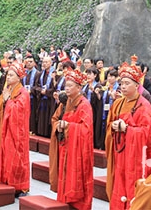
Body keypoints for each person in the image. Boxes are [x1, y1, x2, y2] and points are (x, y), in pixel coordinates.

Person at [105, 62, 151, 208]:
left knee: (132, 187)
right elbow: (109, 127)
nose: (123, 86)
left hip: (136, 157)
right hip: (119, 153)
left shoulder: (144, 106)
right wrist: (113, 128)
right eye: (122, 83)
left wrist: (127, 129)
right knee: (119, 185)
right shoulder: (118, 103)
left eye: (127, 83)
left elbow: (147, 133)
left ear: (137, 84)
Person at [49, 69, 94, 209]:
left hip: (78, 150)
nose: (66, 89)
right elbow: (55, 119)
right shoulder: (65, 103)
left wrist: (68, 126)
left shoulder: (84, 105)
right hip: (65, 147)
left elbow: (86, 130)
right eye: (65, 86)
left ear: (79, 88)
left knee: (77, 178)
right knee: (64, 176)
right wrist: (58, 126)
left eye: (70, 86)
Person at [0, 62, 30, 197]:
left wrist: (7, 100)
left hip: (18, 133)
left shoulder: (23, 93)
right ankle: (6, 181)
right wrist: (4, 100)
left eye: (12, 75)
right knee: (6, 155)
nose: (8, 77)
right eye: (8, 74)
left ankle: (20, 187)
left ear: (19, 77)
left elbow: (18, 112)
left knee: (17, 158)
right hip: (7, 130)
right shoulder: (8, 90)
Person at [35, 56, 55, 138]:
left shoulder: (55, 74)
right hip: (41, 99)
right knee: (41, 116)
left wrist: (46, 92)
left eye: (46, 62)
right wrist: (40, 91)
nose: (44, 64)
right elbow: (37, 85)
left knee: (48, 116)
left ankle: (47, 134)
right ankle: (40, 132)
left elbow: (55, 87)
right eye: (43, 62)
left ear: (51, 63)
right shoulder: (40, 74)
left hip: (50, 100)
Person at [23, 56, 40, 135]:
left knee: (32, 115)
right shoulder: (23, 73)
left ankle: (32, 130)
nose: (29, 63)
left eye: (31, 61)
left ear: (34, 63)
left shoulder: (37, 73)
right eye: (27, 62)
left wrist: (31, 90)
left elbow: (38, 85)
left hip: (33, 97)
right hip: (23, 97)